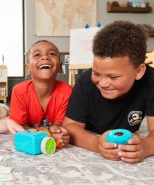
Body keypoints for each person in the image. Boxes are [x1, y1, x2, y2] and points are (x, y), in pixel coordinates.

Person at [63, 21, 154, 163]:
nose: (103, 83)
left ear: (139, 71)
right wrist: (96, 143)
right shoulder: (85, 83)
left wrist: (146, 146)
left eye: (113, 77)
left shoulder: (151, 81)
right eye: (96, 73)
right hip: (91, 140)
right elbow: (70, 126)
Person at [9, 40, 72, 147]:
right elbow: (19, 128)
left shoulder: (67, 91)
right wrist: (47, 134)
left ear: (60, 67)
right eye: (37, 55)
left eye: (52, 54)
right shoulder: (19, 91)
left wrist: (59, 133)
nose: (45, 58)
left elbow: (59, 127)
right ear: (27, 68)